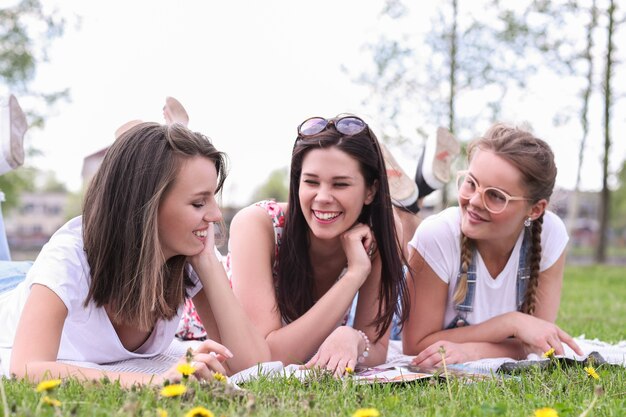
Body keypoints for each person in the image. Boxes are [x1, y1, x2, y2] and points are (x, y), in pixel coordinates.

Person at [0, 122, 269, 385]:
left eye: (213, 198)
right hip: (10, 286)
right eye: (199, 203)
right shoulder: (68, 257)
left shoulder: (184, 257)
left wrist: (208, 262)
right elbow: (26, 369)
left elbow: (252, 366)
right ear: (146, 207)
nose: (216, 215)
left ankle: (144, 132)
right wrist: (152, 381)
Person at [178, 114, 410, 376]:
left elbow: (376, 349)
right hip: (209, 332)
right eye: (311, 182)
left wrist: (353, 339)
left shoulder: (380, 233)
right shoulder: (259, 224)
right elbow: (266, 361)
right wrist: (354, 275)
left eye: (340, 184)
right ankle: (176, 131)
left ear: (371, 190)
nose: (322, 197)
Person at [403, 123, 583, 368]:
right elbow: (415, 345)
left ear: (535, 209)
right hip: (393, 310)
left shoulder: (549, 234)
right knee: (394, 233)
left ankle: (415, 198)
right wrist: (511, 323)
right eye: (471, 183)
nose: (475, 201)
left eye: (496, 195)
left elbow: (539, 342)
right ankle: (408, 203)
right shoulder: (438, 234)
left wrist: (473, 352)